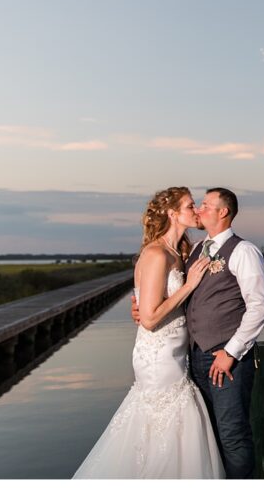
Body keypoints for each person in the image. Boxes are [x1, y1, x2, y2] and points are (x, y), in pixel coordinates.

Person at [74, 187, 224, 479]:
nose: (196, 211)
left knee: (175, 427)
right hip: (158, 357)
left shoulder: (179, 253)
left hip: (176, 353)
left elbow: (156, 308)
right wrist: (189, 285)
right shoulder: (156, 254)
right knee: (165, 423)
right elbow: (150, 318)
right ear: (172, 214)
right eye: (190, 206)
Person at [130, 186, 264, 479]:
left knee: (232, 435)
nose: (198, 210)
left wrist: (230, 352)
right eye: (195, 205)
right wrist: (142, 309)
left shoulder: (244, 251)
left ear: (222, 212)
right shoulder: (193, 251)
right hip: (188, 359)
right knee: (206, 437)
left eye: (205, 205)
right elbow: (172, 300)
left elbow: (258, 307)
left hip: (224, 360)